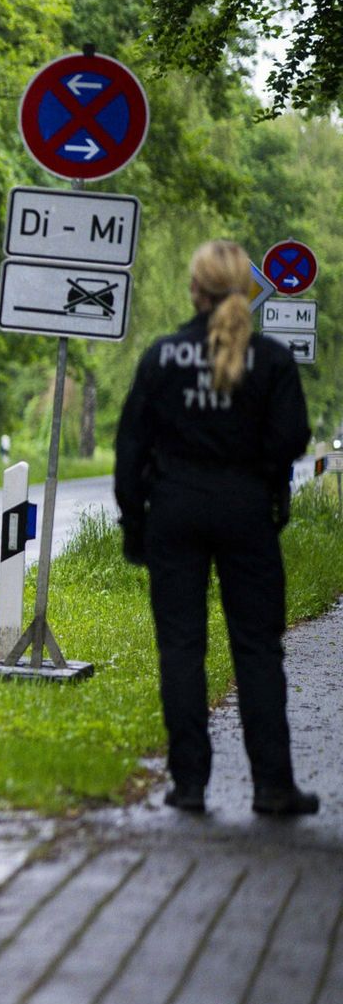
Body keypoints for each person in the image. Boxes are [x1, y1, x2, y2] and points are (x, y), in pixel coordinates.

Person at [115, 239, 318, 816]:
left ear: (195, 290)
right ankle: (273, 786)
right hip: (247, 511)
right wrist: (266, 487)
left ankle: (189, 785)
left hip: (174, 511)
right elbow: (291, 440)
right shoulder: (273, 360)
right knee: (256, 648)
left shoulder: (162, 356)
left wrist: (136, 521)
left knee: (181, 647)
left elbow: (130, 445)